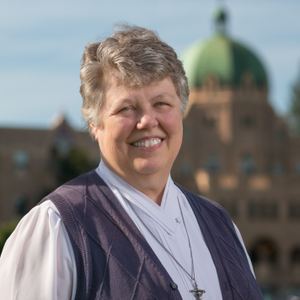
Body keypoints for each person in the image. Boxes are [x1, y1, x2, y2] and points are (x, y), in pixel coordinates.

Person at [0, 24, 263, 300]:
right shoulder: (56, 227)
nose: (148, 121)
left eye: (162, 103)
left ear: (181, 112)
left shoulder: (222, 225)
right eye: (126, 108)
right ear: (94, 124)